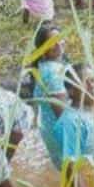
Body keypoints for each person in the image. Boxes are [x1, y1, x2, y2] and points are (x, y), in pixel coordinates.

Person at [32, 24, 68, 169]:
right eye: (52, 42)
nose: (58, 44)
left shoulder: (44, 65)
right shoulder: (54, 73)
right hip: (61, 133)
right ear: (43, 48)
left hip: (49, 128)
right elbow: (63, 115)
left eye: (60, 39)